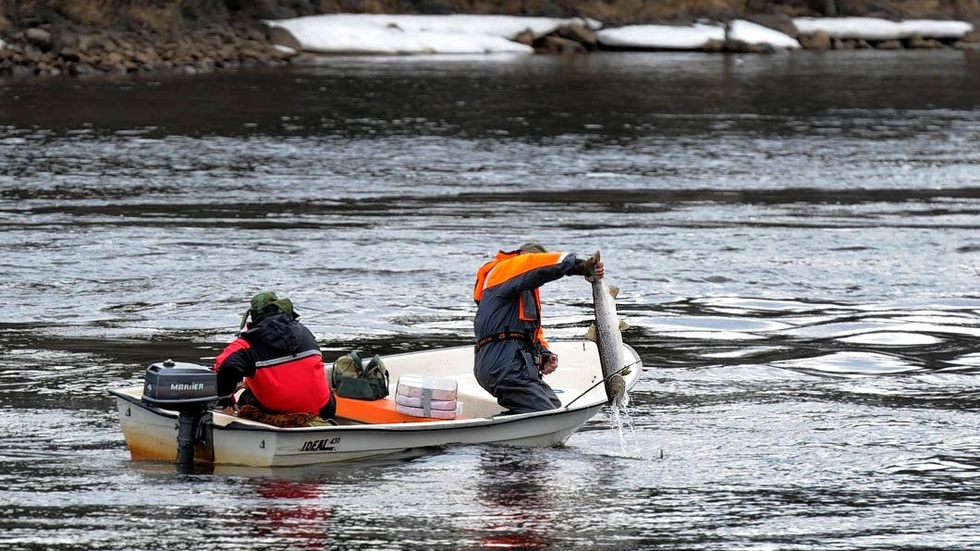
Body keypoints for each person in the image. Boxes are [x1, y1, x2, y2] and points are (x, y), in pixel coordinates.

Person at [472, 242, 604, 414]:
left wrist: (544, 355)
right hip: (503, 365)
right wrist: (581, 267)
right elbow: (538, 266)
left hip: (508, 364)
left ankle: (507, 433)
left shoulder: (517, 293)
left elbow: (527, 335)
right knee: (545, 414)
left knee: (553, 407)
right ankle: (490, 436)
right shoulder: (504, 270)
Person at [214, 291, 336, 421]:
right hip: (324, 410)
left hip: (279, 412)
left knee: (246, 398)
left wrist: (226, 399)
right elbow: (293, 370)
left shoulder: (246, 344)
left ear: (253, 316)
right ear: (280, 308)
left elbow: (225, 365)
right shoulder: (304, 332)